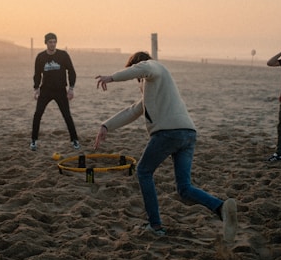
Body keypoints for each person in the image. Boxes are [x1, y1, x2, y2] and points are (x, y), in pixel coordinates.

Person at [94, 51, 238, 240]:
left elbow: (145, 67)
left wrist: (111, 78)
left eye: (137, 76)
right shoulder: (155, 87)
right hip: (188, 134)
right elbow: (133, 110)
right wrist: (106, 125)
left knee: (144, 171)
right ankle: (220, 207)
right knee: (184, 188)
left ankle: (155, 225)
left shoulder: (154, 67)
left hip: (168, 133)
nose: (138, 80)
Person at [31, 33, 80, 151]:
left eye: (54, 42)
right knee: (37, 114)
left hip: (60, 90)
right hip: (46, 90)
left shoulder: (63, 55)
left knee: (67, 115)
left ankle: (75, 140)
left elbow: (72, 72)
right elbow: (37, 74)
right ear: (46, 43)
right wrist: (36, 89)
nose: (52, 44)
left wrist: (71, 89)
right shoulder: (40, 57)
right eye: (50, 42)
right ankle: (33, 140)